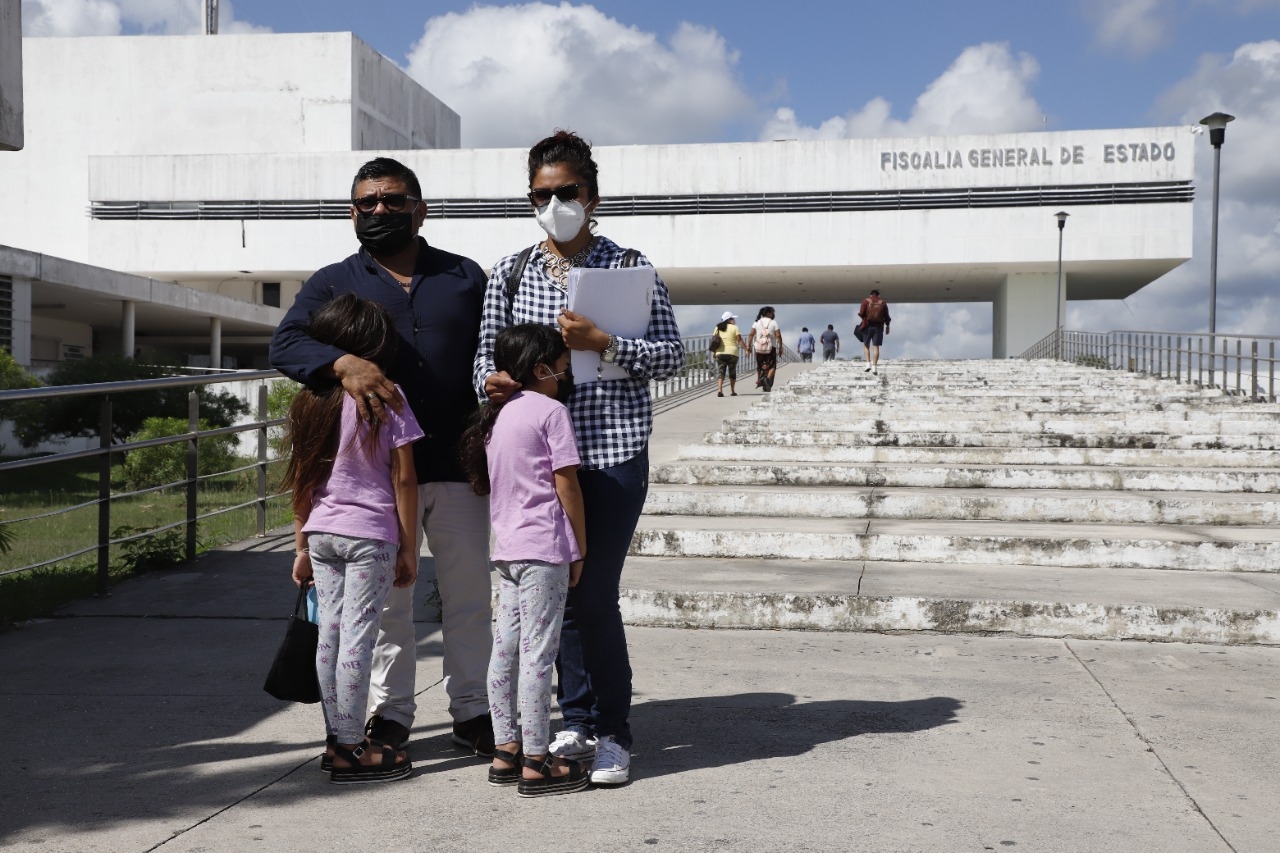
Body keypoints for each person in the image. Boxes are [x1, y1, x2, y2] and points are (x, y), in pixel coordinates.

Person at [474, 130, 684, 786]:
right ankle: (576, 717)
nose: (555, 202)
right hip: (538, 463)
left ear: (591, 196)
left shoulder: (628, 265)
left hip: (612, 452)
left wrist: (608, 342)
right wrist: (495, 381)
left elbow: (673, 355)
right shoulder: (510, 272)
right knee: (551, 596)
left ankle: (614, 731)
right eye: (543, 193)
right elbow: (483, 358)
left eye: (567, 191)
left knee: (592, 593)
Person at [270, 157, 496, 759]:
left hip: (458, 464)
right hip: (374, 482)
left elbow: (496, 348)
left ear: (419, 208)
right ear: (352, 212)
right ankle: (389, 715)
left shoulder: (465, 276)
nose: (379, 212)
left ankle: (474, 710)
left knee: (470, 595)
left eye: (392, 201)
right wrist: (344, 364)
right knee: (389, 605)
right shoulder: (332, 281)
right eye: (366, 203)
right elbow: (285, 342)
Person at [283, 294, 421, 785]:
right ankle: (351, 747)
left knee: (331, 636)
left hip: (321, 533)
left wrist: (300, 546)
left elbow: (302, 478)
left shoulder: (309, 399)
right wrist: (409, 546)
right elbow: (405, 481)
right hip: (370, 536)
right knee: (358, 641)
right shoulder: (389, 397)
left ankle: (334, 737)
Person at [461, 323, 590, 798]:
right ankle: (538, 759)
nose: (566, 374)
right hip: (544, 550)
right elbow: (567, 485)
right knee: (539, 653)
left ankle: (505, 749)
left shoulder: (496, 416)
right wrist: (579, 547)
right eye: (562, 367)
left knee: (506, 649)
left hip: (508, 550)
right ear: (541, 369)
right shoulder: (552, 411)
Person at [747, 306, 781, 392]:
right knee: (772, 366)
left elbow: (751, 335)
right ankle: (767, 379)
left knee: (760, 366)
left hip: (758, 348)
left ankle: (763, 382)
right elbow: (778, 336)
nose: (774, 314)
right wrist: (780, 347)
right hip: (771, 348)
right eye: (773, 313)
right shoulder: (774, 323)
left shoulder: (756, 323)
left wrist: (749, 346)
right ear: (769, 313)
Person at [712, 311, 746, 397]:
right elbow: (739, 340)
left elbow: (714, 341)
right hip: (732, 353)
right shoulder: (735, 328)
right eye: (732, 318)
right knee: (732, 372)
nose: (734, 320)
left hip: (720, 353)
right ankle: (732, 391)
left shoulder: (717, 328)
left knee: (721, 371)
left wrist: (714, 352)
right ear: (729, 320)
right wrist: (746, 349)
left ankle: (719, 389)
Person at [858, 289, 892, 374]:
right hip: (879, 327)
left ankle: (867, 364)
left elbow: (861, 313)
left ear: (870, 295)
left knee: (866, 345)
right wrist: (887, 326)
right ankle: (874, 367)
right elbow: (887, 316)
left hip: (867, 326)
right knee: (876, 347)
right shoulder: (882, 303)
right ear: (879, 295)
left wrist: (864, 319)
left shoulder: (866, 301)